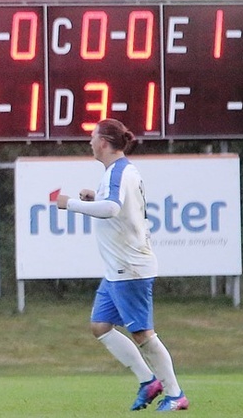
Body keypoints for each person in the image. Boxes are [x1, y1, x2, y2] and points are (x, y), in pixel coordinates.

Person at [55, 118, 188, 412]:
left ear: (104, 141)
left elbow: (112, 209)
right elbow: (116, 206)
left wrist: (71, 204)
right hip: (116, 268)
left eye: (92, 137)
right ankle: (147, 380)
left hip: (130, 267)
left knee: (142, 333)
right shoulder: (118, 171)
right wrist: (95, 196)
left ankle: (175, 394)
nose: (89, 142)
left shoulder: (119, 171)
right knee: (100, 326)